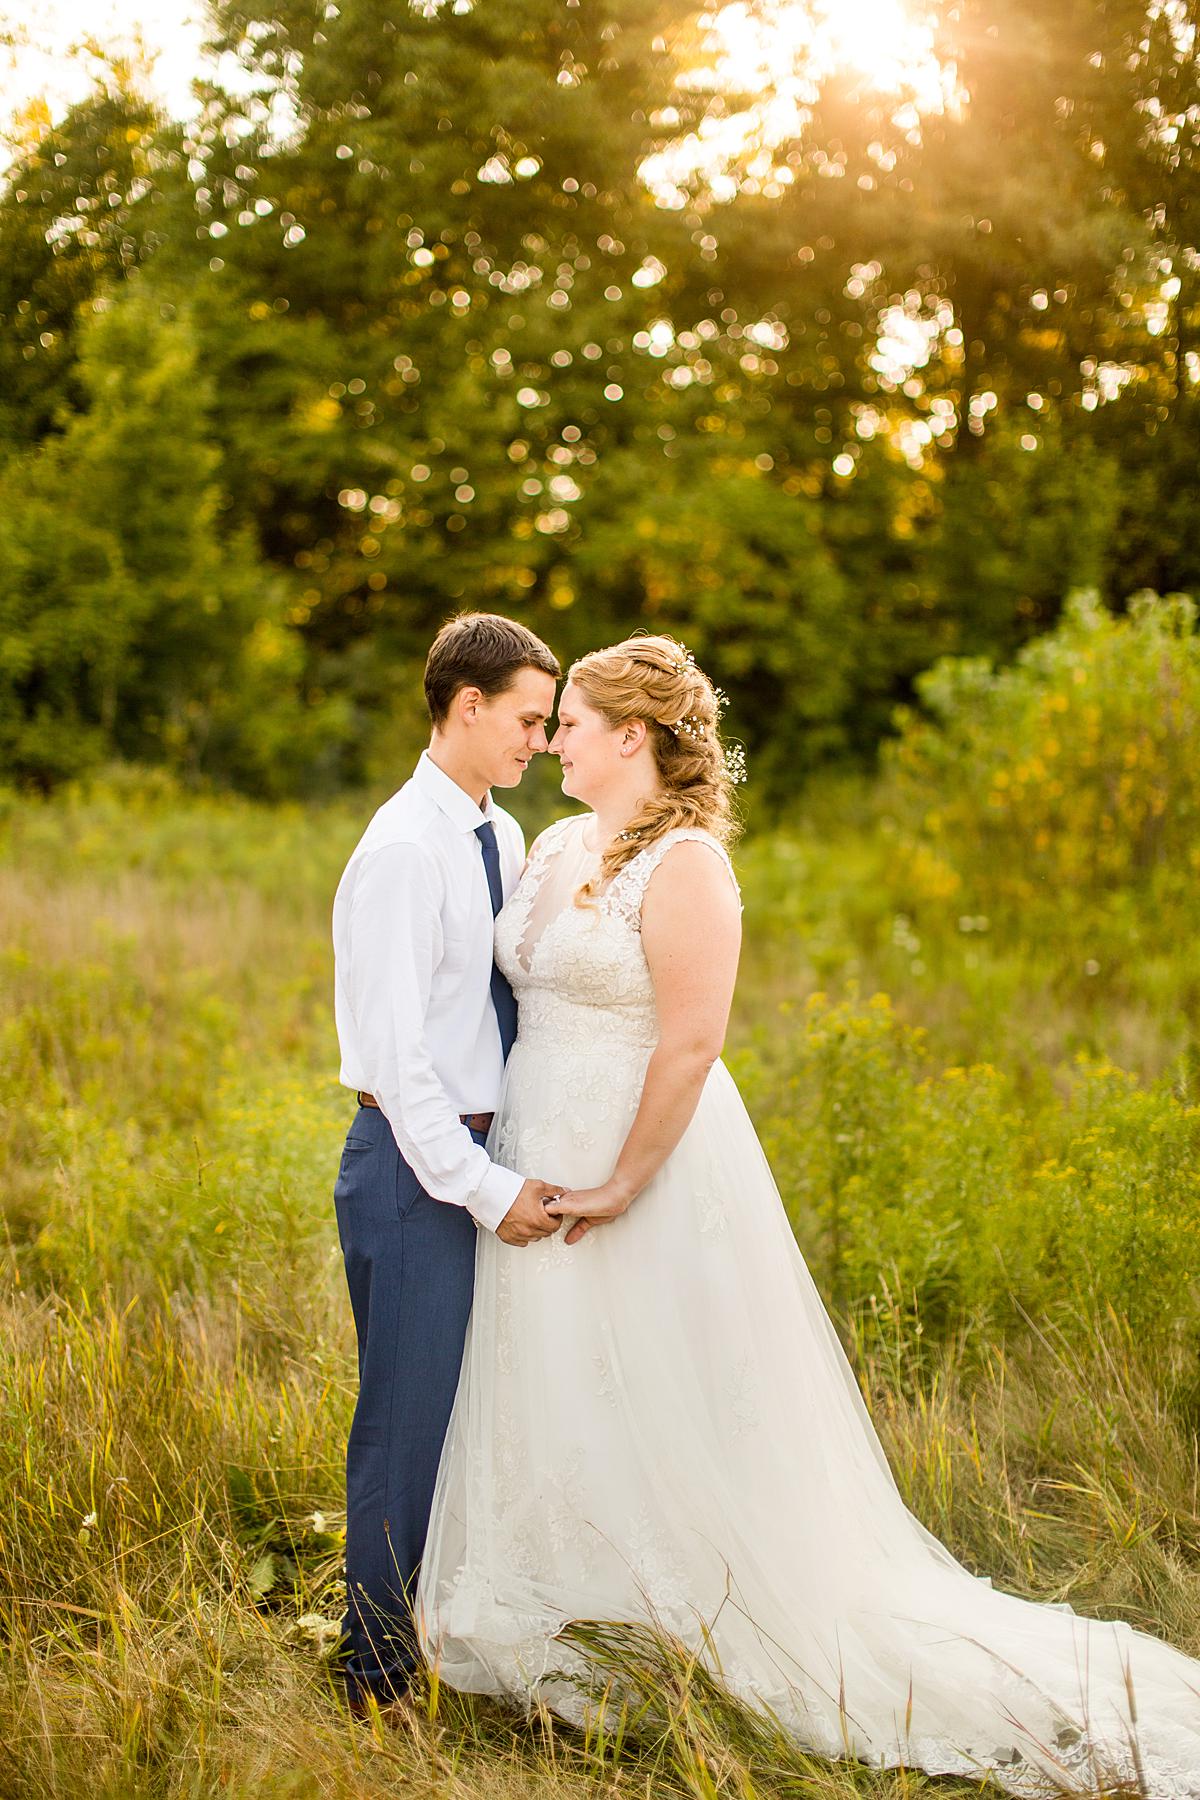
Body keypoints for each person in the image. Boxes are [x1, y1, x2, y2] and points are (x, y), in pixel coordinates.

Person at [417, 633, 1200, 1796]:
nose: (554, 738)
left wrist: (625, 1182)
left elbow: (689, 1042)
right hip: (535, 1149)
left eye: (570, 720)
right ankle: (579, 1614)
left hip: (644, 1161)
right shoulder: (548, 845)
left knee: (668, 1387)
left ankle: (714, 1617)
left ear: (631, 735)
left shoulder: (687, 865)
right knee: (556, 1380)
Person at [331, 612, 565, 1712]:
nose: (540, 741)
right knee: (407, 1419)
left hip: (482, 1154)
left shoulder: (499, 835)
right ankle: (372, 1667)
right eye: (526, 719)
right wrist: (484, 1191)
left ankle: (446, 1621)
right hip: (415, 1167)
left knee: (474, 1413)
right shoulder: (400, 852)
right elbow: (398, 1062)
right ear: (465, 706)